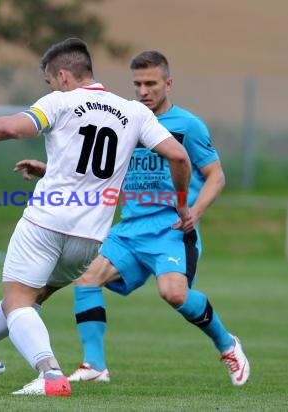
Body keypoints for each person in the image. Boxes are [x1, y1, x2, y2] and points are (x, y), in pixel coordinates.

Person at [0, 38, 192, 396]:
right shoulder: (135, 112)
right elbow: (178, 157)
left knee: (18, 301)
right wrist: (180, 203)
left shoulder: (60, 102)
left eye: (50, 81)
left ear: (63, 75)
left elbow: (10, 128)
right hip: (89, 240)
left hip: (45, 223)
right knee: (29, 300)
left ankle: (50, 375)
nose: (51, 88)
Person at [14, 50, 250, 387]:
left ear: (168, 84)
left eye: (151, 83)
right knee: (87, 279)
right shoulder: (127, 117)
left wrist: (195, 211)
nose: (143, 91)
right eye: (138, 83)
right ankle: (94, 364)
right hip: (129, 229)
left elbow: (216, 176)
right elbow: (99, 168)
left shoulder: (187, 126)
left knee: (174, 295)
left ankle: (227, 344)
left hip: (170, 229)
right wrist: (48, 170)